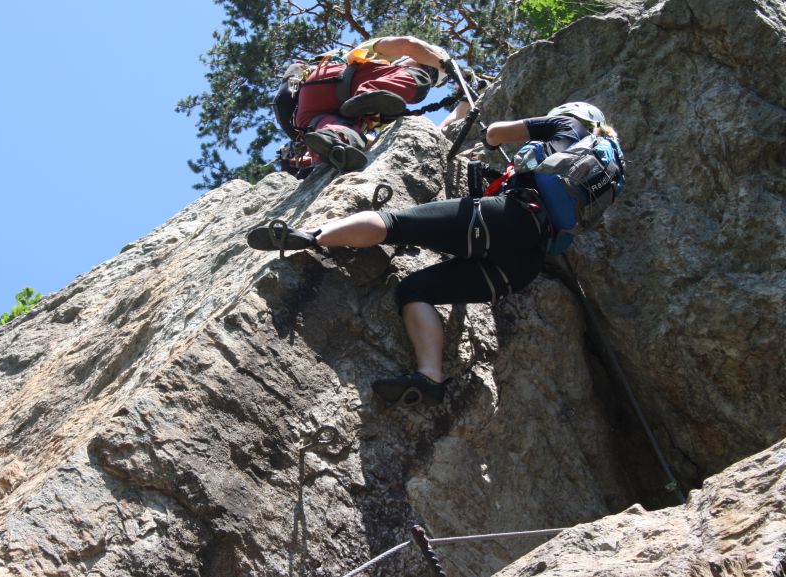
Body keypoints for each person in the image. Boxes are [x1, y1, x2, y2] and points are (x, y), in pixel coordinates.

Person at [248, 102, 620, 407]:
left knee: (395, 224)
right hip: (523, 266)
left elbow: (495, 134)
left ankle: (312, 238)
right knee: (415, 290)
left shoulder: (566, 126)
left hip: (508, 217)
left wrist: (498, 137)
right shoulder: (600, 176)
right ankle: (429, 378)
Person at [290, 36, 452, 172]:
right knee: (418, 79)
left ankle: (335, 143)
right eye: (427, 66)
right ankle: (367, 92)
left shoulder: (386, 106)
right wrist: (448, 66)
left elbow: (436, 133)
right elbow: (408, 44)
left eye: (431, 75)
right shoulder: (380, 58)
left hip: (310, 117)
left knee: (347, 135)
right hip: (335, 80)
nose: (425, 72)